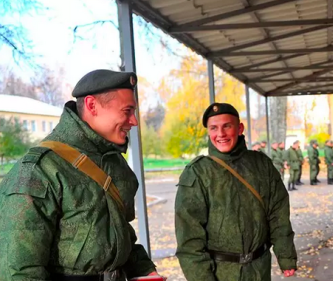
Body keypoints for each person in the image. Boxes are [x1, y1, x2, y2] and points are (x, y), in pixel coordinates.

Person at [0, 69, 161, 281]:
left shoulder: (114, 161)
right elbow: (19, 269)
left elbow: (119, 230)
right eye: (127, 110)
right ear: (92, 105)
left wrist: (143, 270)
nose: (134, 121)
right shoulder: (39, 169)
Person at [175, 103, 297, 281]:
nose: (221, 134)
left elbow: (278, 213)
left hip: (259, 270)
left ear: (239, 128)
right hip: (221, 273)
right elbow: (189, 239)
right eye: (214, 128)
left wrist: (286, 256)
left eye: (227, 126)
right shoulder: (197, 172)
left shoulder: (262, 165)